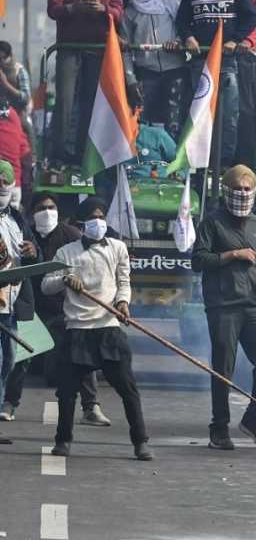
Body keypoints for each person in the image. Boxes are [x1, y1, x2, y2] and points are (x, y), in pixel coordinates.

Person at [40, 197, 152, 461]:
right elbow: (46, 285)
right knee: (67, 392)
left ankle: (141, 442)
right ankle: (63, 440)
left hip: (108, 327)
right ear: (81, 223)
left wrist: (123, 303)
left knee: (128, 389)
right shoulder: (66, 253)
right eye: (92, 218)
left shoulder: (117, 248)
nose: (98, 222)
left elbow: (123, 281)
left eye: (102, 217)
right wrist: (66, 279)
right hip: (77, 329)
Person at [191, 165, 256, 451]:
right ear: (226, 190)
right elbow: (198, 261)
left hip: (255, 304)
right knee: (223, 369)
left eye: (247, 189)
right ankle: (219, 427)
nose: (242, 194)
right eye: (237, 188)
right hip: (223, 306)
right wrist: (232, 255)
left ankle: (254, 418)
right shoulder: (212, 223)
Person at [1, 192, 109, 426]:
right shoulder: (22, 231)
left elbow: (87, 264)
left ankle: (91, 407)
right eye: (41, 208)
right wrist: (31, 255)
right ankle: (9, 403)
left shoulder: (72, 236)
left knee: (82, 355)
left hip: (66, 306)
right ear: (32, 214)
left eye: (51, 207)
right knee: (19, 357)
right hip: (31, 306)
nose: (47, 212)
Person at [175, 0, 256, 167]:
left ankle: (223, 163)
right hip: (199, 63)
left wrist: (236, 39)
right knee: (199, 114)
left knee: (229, 115)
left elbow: (252, 16)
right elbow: (181, 20)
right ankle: (197, 160)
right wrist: (188, 37)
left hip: (227, 63)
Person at [46, 0, 126, 164]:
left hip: (98, 51)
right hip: (69, 50)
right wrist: (74, 7)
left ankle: (83, 153)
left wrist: (103, 9)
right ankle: (59, 155)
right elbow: (53, 9)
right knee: (64, 102)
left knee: (91, 103)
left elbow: (120, 12)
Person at [121, 0, 188, 141]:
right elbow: (125, 50)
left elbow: (185, 29)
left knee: (174, 122)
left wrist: (178, 42)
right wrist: (131, 80)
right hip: (145, 73)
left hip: (174, 70)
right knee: (143, 124)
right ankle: (146, 164)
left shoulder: (169, 2)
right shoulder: (129, 12)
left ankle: (174, 165)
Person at [0, 164, 34, 442]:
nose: (1, 185)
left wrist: (33, 251)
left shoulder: (17, 220)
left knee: (8, 362)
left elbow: (33, 254)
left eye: (5, 181)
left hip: (9, 306)